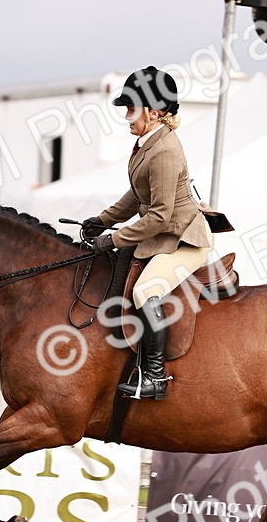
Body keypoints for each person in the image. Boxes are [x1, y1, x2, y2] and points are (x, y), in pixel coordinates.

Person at [82, 66, 213, 400]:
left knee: (145, 291)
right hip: (163, 235)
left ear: (153, 113)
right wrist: (102, 219)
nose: (126, 116)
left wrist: (113, 238)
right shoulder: (148, 144)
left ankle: (155, 377)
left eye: (131, 109)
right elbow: (137, 194)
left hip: (184, 240)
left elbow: (158, 216)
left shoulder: (165, 151)